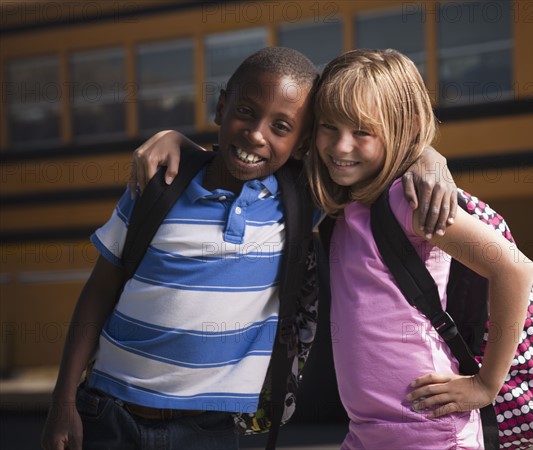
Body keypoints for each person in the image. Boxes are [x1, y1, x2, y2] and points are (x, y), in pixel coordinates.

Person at [41, 46, 455, 450]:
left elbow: (378, 160)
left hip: (210, 428)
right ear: (221, 108)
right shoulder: (159, 185)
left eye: (281, 126)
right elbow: (98, 291)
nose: (256, 134)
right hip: (107, 412)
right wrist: (62, 403)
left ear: (304, 141)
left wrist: (428, 158)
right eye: (245, 112)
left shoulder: (301, 198)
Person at [306, 48, 533, 450]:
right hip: (367, 432)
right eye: (329, 127)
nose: (341, 147)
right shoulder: (344, 204)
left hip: (429, 430)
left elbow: (515, 270)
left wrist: (486, 384)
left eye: (362, 131)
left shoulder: (408, 200)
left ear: (405, 127)